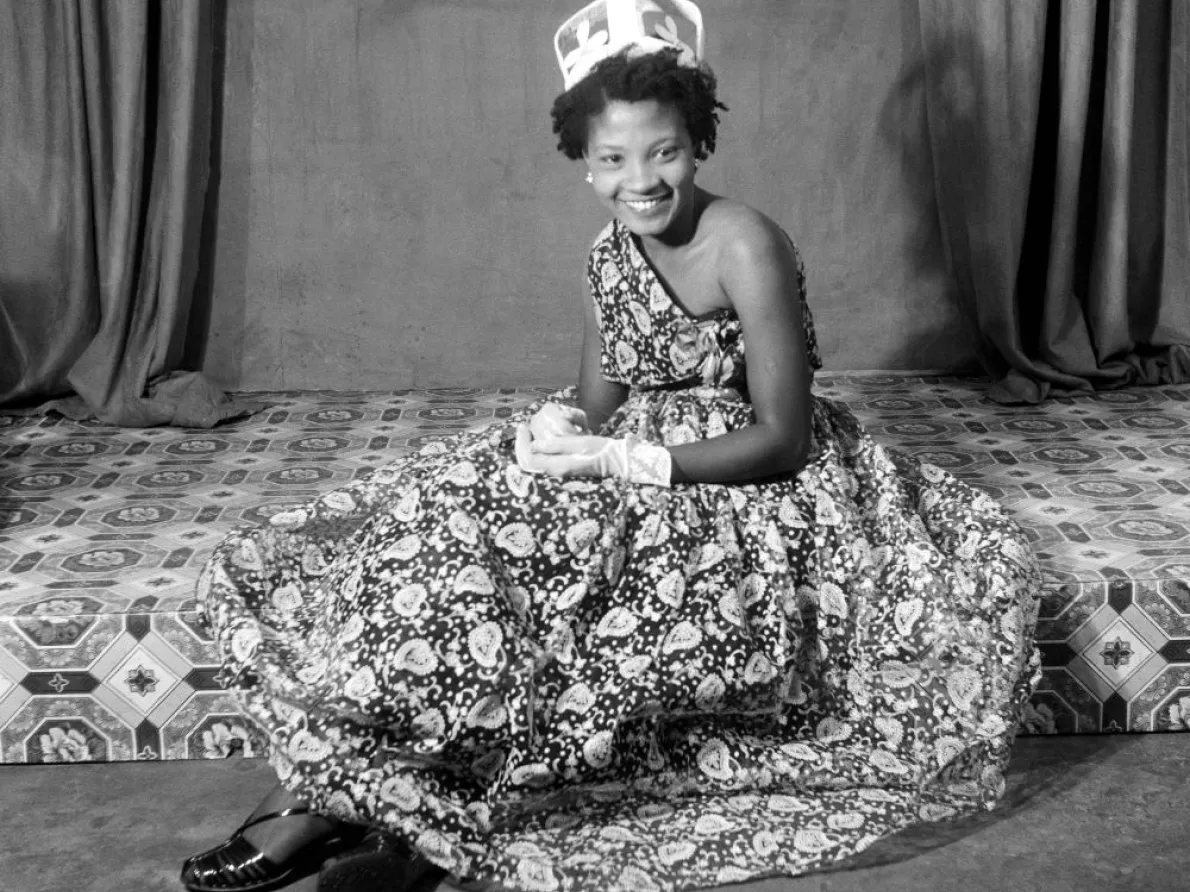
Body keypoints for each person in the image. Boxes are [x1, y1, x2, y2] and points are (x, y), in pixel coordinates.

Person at [181, 2, 1042, 890]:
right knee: (444, 518)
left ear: (698, 142)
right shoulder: (606, 253)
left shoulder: (747, 245)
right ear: (583, 164)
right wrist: (565, 430)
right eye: (613, 158)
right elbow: (600, 395)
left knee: (576, 573)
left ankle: (389, 812)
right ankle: (359, 793)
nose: (642, 179)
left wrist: (631, 464)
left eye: (663, 151)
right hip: (636, 452)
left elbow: (783, 438)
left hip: (745, 479)